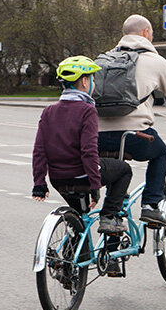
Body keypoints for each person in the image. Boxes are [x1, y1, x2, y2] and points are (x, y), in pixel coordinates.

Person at [97, 14, 166, 226]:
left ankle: (110, 241)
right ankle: (150, 205)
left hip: (97, 138)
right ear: (145, 33)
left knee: (117, 174)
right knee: (160, 152)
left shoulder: (103, 60)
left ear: (124, 35)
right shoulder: (156, 62)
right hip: (134, 136)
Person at [32, 56, 132, 235]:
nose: (94, 83)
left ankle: (74, 259)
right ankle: (109, 216)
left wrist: (39, 183)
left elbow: (40, 150)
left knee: (79, 220)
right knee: (124, 170)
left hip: (58, 179)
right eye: (93, 79)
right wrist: (95, 185)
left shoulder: (49, 111)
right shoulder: (87, 110)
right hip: (82, 175)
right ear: (85, 81)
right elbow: (88, 151)